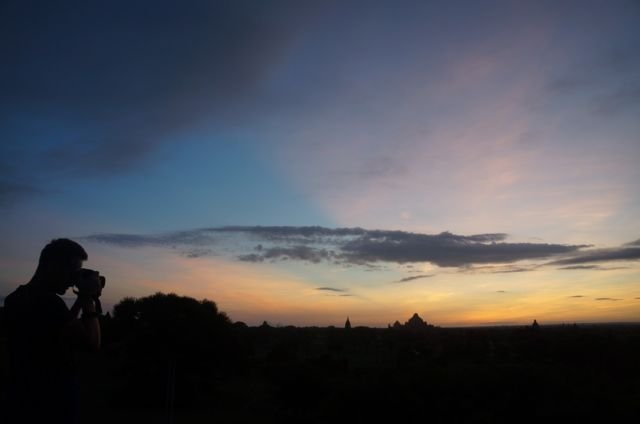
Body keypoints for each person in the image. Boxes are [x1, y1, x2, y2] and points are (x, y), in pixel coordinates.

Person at [4, 238, 104, 424]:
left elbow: (62, 327)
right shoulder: (49, 302)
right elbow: (92, 344)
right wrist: (89, 302)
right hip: (52, 402)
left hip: (20, 398)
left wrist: (81, 298)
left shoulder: (14, 299)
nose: (73, 280)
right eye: (72, 272)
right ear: (53, 266)